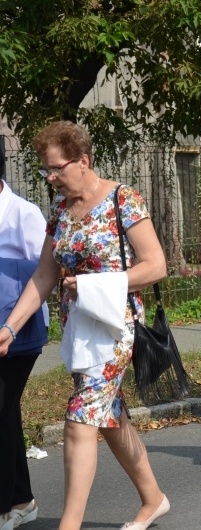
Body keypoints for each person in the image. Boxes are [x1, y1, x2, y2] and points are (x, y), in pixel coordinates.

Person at [0, 121, 169, 529]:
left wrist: (98, 282)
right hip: (80, 327)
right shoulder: (59, 209)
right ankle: (154, 498)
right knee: (107, 417)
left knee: (80, 418)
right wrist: (9, 328)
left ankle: (69, 525)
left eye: (56, 168)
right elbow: (44, 275)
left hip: (117, 324)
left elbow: (156, 265)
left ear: (83, 161)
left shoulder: (123, 199)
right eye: (45, 170)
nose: (50, 177)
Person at [0, 175, 47, 530]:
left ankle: (6, 504)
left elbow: (44, 274)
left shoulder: (23, 214)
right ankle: (20, 499)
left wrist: (12, 326)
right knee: (5, 411)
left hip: (18, 335)